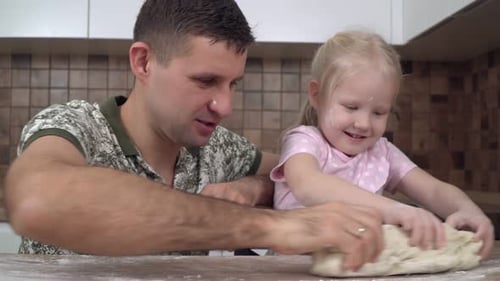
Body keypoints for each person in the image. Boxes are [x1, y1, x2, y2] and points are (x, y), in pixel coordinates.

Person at [4, 0, 385, 271]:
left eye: (233, 84)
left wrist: (255, 188)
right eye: (206, 81)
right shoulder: (76, 126)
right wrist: (270, 226)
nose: (225, 106)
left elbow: (294, 174)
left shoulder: (220, 148)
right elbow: (37, 200)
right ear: (144, 61)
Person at [271, 30, 494, 260]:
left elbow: (434, 189)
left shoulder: (382, 153)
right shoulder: (304, 141)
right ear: (317, 96)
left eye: (379, 112)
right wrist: (393, 210)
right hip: (289, 269)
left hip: (355, 267)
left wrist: (466, 209)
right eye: (351, 107)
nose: (364, 123)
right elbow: (308, 185)